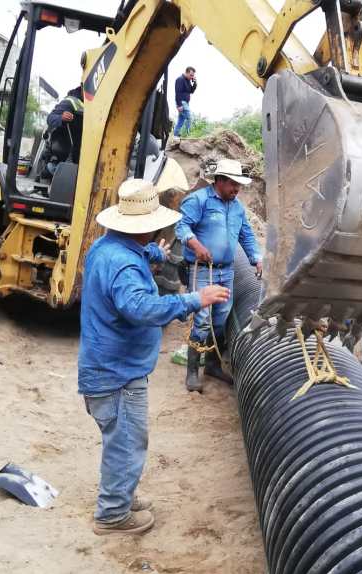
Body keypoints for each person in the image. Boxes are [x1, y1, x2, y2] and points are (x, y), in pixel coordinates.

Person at [78, 178, 230, 536]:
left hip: (109, 367)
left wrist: (153, 255)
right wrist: (195, 299)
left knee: (125, 440)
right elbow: (141, 308)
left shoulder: (106, 248)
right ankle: (113, 515)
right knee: (127, 444)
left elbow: (129, 265)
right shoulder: (124, 266)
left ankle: (121, 497)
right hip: (116, 374)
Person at [175, 159, 262, 393]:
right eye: (234, 184)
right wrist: (195, 245)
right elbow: (181, 227)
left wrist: (256, 258)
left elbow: (247, 235)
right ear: (220, 181)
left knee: (221, 319)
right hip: (203, 270)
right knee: (202, 320)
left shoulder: (237, 207)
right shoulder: (198, 200)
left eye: (239, 186)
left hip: (226, 270)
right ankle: (192, 371)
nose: (237, 190)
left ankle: (212, 364)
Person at [43, 86, 84, 177]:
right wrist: (61, 117)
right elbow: (51, 118)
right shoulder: (71, 101)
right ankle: (53, 169)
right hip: (71, 151)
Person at [173, 66, 197, 137]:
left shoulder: (188, 80)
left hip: (186, 103)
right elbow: (177, 93)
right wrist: (179, 105)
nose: (192, 77)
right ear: (186, 72)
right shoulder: (180, 79)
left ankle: (175, 135)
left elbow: (191, 91)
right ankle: (187, 135)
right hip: (182, 102)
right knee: (189, 118)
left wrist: (194, 83)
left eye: (193, 75)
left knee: (181, 120)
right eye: (191, 75)